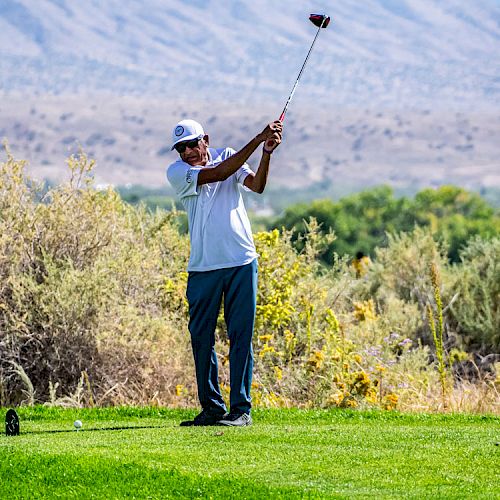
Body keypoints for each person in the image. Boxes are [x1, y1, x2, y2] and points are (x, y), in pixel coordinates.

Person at [166, 118, 283, 426]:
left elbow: (256, 186)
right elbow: (219, 173)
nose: (188, 152)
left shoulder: (229, 153)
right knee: (201, 337)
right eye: (181, 148)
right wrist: (258, 139)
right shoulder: (177, 172)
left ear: (205, 138)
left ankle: (241, 410)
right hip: (203, 266)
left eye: (193, 144)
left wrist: (266, 152)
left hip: (241, 262)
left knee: (240, 336)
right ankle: (212, 408)